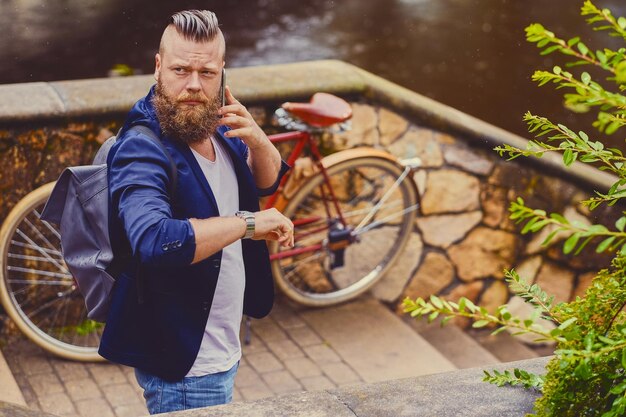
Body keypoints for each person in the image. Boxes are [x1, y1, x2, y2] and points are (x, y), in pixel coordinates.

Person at [98, 10, 293, 414]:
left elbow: (265, 183)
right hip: (186, 363)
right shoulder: (141, 148)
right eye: (180, 69)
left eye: (206, 72)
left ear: (222, 70)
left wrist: (258, 140)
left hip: (219, 342)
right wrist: (248, 224)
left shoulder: (217, 122)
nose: (193, 84)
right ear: (157, 67)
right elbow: (153, 240)